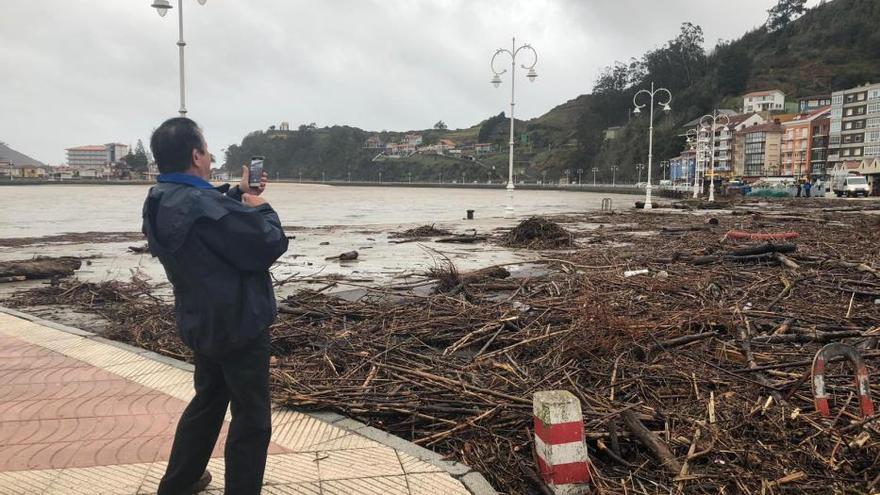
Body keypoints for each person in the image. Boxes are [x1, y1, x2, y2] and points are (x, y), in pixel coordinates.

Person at [142, 117, 289, 495]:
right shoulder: (203, 204)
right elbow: (266, 244)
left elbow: (204, 217)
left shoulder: (158, 199)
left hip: (200, 320)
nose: (209, 157)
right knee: (251, 419)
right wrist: (262, 206)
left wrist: (237, 194)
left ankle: (180, 482)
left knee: (208, 401)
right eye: (206, 151)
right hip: (239, 324)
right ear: (195, 155)